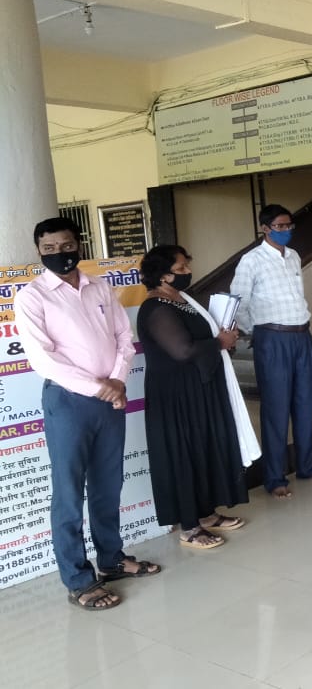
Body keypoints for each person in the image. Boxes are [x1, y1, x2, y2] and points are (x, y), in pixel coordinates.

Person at [15, 217, 161, 611]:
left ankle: (112, 559)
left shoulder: (100, 287)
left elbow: (123, 338)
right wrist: (102, 387)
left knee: (107, 484)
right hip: (68, 402)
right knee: (68, 491)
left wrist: (116, 381)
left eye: (65, 245)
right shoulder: (32, 297)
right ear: (39, 252)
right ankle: (78, 579)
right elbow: (44, 359)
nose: (58, 253)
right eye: (48, 248)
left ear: (78, 245)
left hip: (110, 399)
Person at [137, 245, 256, 549]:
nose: (188, 272)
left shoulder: (182, 299)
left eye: (186, 266)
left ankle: (206, 513)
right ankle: (189, 527)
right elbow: (182, 350)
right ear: (163, 276)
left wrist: (223, 339)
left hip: (199, 387)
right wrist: (219, 343)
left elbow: (201, 338)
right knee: (184, 453)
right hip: (176, 395)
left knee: (204, 448)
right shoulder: (155, 307)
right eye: (180, 269)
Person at [230, 203, 312, 498]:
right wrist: (257, 330)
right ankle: (275, 478)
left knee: (305, 404)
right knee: (276, 410)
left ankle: (307, 466)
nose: (286, 230)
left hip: (302, 336)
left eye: (289, 225)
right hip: (273, 338)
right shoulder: (251, 261)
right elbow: (238, 302)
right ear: (264, 228)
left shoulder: (294, 256)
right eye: (280, 226)